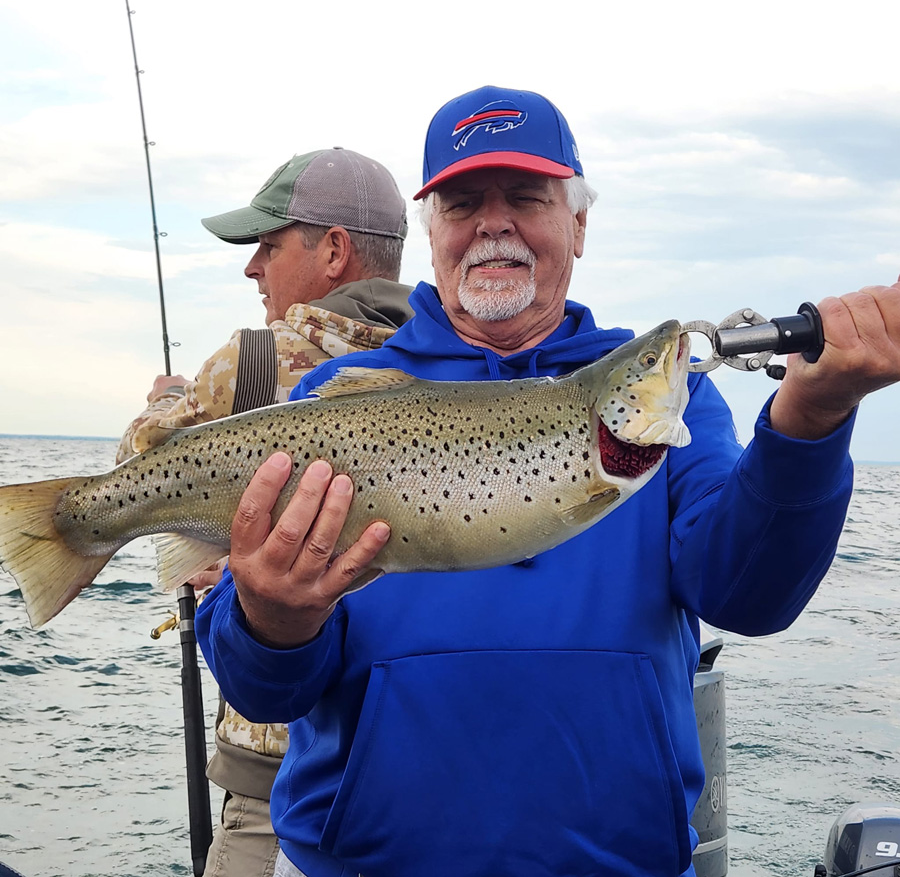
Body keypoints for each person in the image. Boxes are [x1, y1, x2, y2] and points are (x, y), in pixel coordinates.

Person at [195, 87, 900, 877]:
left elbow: (749, 598)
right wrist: (272, 619)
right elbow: (264, 691)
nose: (493, 223)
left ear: (579, 225)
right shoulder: (335, 402)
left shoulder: (672, 406)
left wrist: (810, 420)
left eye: (526, 197)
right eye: (464, 203)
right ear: (433, 232)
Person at [117, 147, 414, 877]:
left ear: (334, 251)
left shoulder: (250, 363)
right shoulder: (439, 372)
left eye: (269, 246)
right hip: (399, 763)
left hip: (268, 776)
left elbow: (138, 468)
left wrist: (166, 400)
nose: (253, 268)